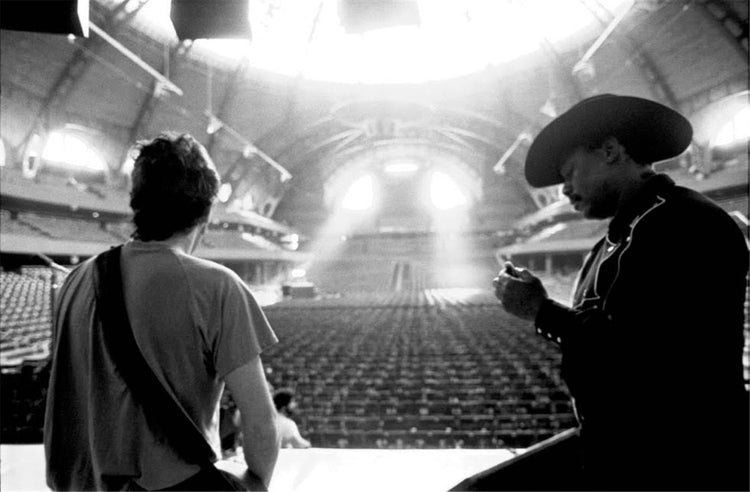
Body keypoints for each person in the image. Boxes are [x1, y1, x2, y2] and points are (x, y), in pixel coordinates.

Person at [493, 94, 749, 491]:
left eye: (570, 173)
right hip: (617, 456)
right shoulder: (607, 245)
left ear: (611, 151)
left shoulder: (687, 222)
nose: (565, 191)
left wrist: (541, 310)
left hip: (682, 463)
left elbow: (651, 360)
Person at [44, 133, 280, 490]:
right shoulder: (219, 287)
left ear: (136, 200)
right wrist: (256, 482)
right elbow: (261, 423)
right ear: (207, 209)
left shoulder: (75, 281)